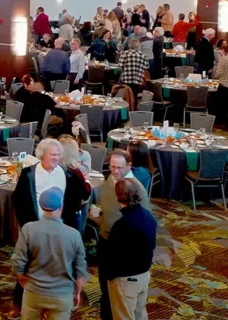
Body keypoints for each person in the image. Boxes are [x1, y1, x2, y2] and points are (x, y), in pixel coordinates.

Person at [11, 188, 89, 320]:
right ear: (61, 206)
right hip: (62, 295)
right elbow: (81, 267)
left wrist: (21, 278)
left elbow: (18, 262)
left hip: (34, 292)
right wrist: (78, 292)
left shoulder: (28, 229)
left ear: (41, 206)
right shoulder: (74, 235)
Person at [93, 149, 150, 320]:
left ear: (129, 166)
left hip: (125, 252)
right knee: (106, 290)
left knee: (123, 299)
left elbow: (144, 223)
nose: (115, 171)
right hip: (106, 241)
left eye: (119, 167)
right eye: (112, 167)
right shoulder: (108, 183)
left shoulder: (136, 188)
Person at [104, 179, 157, 320]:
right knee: (140, 315)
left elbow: (111, 255)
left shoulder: (122, 225)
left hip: (125, 279)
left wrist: (109, 276)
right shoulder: (148, 216)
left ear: (117, 197)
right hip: (144, 275)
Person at [58, 137, 91, 232]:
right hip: (72, 212)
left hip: (57, 211)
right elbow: (86, 194)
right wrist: (87, 181)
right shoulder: (76, 173)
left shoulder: (55, 169)